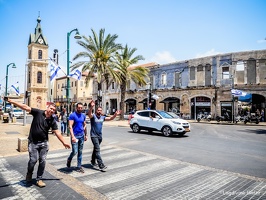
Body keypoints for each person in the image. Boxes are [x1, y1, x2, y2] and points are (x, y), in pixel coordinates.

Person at [5, 97, 70, 188]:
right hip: (33, 142)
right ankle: (29, 173)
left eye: (54, 110)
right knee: (33, 160)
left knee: (42, 161)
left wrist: (64, 142)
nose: (52, 111)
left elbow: (57, 132)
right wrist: (12, 101)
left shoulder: (52, 120)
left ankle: (39, 179)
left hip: (44, 143)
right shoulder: (38, 112)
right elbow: (25, 107)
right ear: (47, 107)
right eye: (51, 108)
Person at [88, 100, 121, 171]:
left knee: (95, 149)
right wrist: (91, 107)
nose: (99, 111)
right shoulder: (93, 117)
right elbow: (89, 114)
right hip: (94, 136)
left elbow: (111, 118)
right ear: (96, 111)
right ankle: (101, 165)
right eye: (98, 110)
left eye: (100, 110)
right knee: (97, 150)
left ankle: (93, 161)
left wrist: (115, 114)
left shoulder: (102, 117)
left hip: (100, 136)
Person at [66, 102, 87, 173]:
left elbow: (84, 125)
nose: (80, 109)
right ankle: (69, 159)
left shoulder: (83, 115)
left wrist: (86, 134)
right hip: (75, 136)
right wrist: (72, 137)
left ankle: (79, 166)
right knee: (75, 151)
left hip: (81, 135)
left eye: (81, 108)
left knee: (80, 152)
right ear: (76, 108)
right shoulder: (72, 115)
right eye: (79, 107)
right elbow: (70, 126)